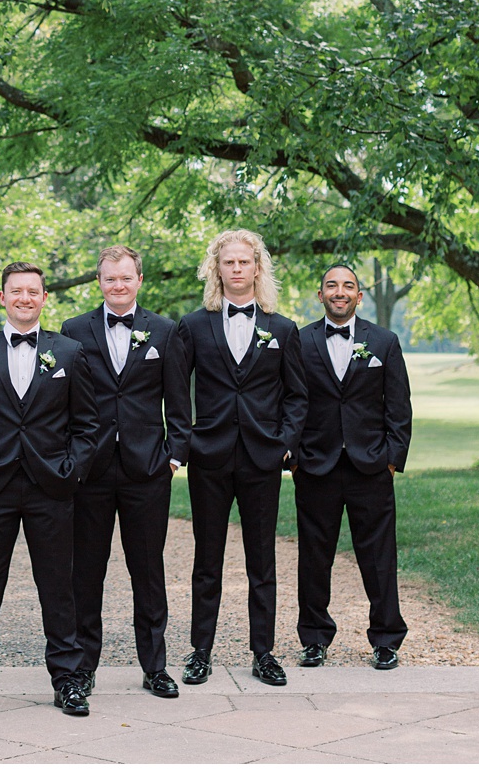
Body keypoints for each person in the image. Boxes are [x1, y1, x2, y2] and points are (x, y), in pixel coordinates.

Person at [0, 263, 98, 719]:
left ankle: (68, 681)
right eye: (17, 291)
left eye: (33, 291)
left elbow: (87, 425)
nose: (25, 299)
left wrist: (70, 471)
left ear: (45, 298)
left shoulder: (69, 352)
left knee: (58, 588)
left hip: (50, 488)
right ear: (3, 297)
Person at [175, 229, 307, 690]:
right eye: (227, 263)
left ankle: (264, 652)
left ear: (257, 268)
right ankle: (200, 652)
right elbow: (176, 389)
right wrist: (186, 438)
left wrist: (285, 440)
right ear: (216, 269)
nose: (236, 269)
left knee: (261, 560)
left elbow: (297, 395)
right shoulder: (192, 326)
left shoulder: (283, 329)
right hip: (209, 456)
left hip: (261, 459)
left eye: (243, 262)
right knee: (206, 560)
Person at [59, 245, 188, 700]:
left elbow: (178, 397)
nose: (118, 285)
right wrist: (71, 458)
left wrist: (175, 454)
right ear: (100, 282)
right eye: (110, 278)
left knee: (147, 571)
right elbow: (64, 400)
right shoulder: (74, 330)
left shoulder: (165, 331)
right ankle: (81, 668)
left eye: (126, 278)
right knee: (85, 573)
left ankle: (155, 667)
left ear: (139, 280)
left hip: (147, 469)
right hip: (89, 472)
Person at [294, 263, 411, 670]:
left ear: (359, 296)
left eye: (348, 286)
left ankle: (386, 639)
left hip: (371, 467)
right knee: (313, 557)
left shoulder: (384, 341)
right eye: (331, 285)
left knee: (379, 557)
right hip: (315, 466)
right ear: (320, 294)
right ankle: (314, 638)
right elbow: (290, 401)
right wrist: (293, 456)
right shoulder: (300, 340)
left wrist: (392, 460)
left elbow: (398, 408)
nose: (339, 292)